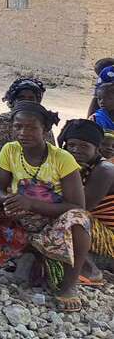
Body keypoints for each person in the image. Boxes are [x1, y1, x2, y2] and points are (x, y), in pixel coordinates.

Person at [0, 102, 91, 312]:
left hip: (50, 228)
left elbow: (77, 206)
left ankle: (69, 285)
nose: (23, 133)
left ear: (45, 130)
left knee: (79, 219)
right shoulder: (10, 150)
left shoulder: (62, 159)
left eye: (31, 127)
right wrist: (7, 200)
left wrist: (31, 204)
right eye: (18, 126)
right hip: (15, 222)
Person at [59, 119, 114, 284]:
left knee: (71, 216)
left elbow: (81, 208)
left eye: (84, 146)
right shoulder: (76, 164)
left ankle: (90, 269)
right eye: (71, 145)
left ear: (97, 149)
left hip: (108, 235)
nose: (76, 150)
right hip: (93, 226)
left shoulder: (105, 170)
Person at [0, 77, 56, 172]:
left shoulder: (43, 125)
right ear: (13, 101)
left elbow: (50, 158)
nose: (26, 102)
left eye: (31, 99)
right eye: (21, 98)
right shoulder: (0, 123)